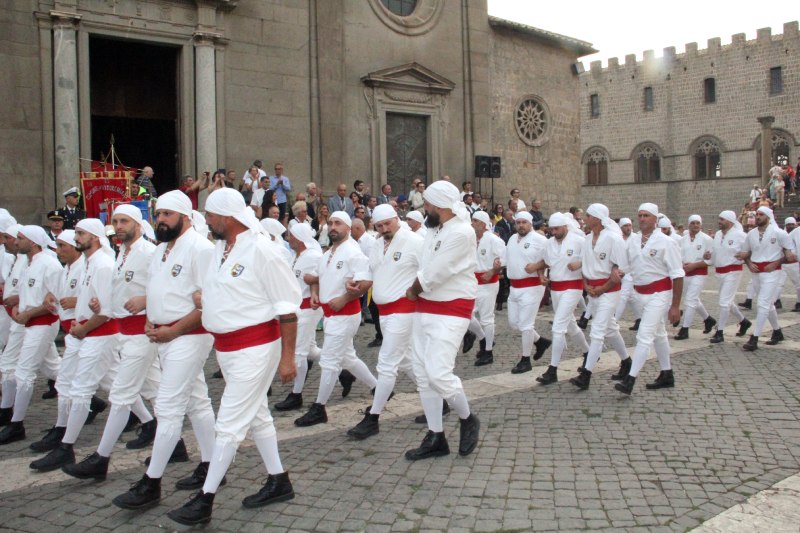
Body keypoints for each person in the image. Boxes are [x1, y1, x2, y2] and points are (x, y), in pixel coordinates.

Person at [165, 188, 300, 525]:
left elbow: (287, 309)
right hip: (226, 348)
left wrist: (288, 358)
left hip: (256, 347)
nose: (205, 221)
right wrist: (204, 297)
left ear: (226, 217)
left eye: (209, 215)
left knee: (228, 424)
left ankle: (205, 498)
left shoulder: (263, 251)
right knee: (257, 416)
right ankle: (279, 480)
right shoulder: (217, 250)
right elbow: (222, 291)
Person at [111, 191, 218, 510]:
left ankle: (152, 482)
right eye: (158, 214)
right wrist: (151, 317)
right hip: (165, 334)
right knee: (198, 401)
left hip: (189, 334)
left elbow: (208, 301)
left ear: (185, 217)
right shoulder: (161, 249)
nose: (160, 220)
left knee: (170, 406)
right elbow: (159, 290)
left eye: (167, 215)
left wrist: (172, 328)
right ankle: (212, 464)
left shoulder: (201, 249)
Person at [61, 205, 160, 481]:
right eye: (115, 221)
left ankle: (101, 458)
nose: (119, 226)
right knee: (157, 392)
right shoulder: (121, 254)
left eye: (124, 221)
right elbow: (119, 292)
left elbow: (166, 289)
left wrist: (146, 300)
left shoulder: (149, 253)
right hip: (124, 333)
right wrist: (99, 304)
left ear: (138, 224)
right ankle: (173, 443)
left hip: (141, 331)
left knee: (121, 395)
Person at [29, 218, 121, 472]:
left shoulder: (102, 264)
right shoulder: (91, 263)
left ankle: (66, 446)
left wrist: (84, 326)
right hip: (83, 331)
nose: (76, 237)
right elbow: (90, 301)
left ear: (94, 236)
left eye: (80, 234)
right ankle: (62, 434)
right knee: (67, 383)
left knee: (82, 390)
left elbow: (107, 311)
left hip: (97, 333)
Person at [403, 180, 479, 460]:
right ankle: (436, 436)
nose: (425, 209)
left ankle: (467, 418)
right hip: (426, 307)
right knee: (423, 374)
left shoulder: (461, 232)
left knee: (438, 373)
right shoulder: (435, 229)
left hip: (451, 307)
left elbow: (436, 271)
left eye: (428, 205)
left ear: (441, 206)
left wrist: (412, 289)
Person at [346, 204, 423, 440]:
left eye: (387, 223)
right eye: (379, 226)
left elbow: (429, 271)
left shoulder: (414, 241)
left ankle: (374, 417)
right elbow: (371, 272)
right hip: (385, 310)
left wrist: (417, 292)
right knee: (407, 361)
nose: (383, 229)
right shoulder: (377, 244)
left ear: (396, 219)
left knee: (387, 362)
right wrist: (358, 284)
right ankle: (439, 399)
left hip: (405, 309)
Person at [294, 211, 377, 427]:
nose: (333, 227)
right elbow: (321, 278)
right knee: (347, 358)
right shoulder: (328, 253)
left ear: (348, 228)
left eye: (338, 223)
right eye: (330, 223)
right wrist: (315, 293)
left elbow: (366, 280)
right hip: (330, 314)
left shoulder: (353, 252)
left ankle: (319, 408)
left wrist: (345, 297)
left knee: (330, 362)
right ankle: (378, 388)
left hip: (345, 314)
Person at [0, 226, 61, 445]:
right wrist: (18, 310)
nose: (16, 242)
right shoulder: (29, 263)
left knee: (24, 373)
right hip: (28, 323)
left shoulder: (49, 264)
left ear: (33, 242)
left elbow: (55, 302)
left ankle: (16, 424)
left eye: (20, 238)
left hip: (42, 324)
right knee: (56, 369)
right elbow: (25, 295)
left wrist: (28, 314)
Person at [614, 203, 684, 395]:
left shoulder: (667, 242)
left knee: (644, 336)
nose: (642, 219)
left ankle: (630, 379)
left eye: (646, 215)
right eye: (640, 215)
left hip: (659, 294)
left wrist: (675, 306)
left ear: (655, 219)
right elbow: (628, 265)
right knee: (659, 334)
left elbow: (677, 274)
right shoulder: (633, 241)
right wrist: (618, 272)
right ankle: (667, 373)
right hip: (640, 294)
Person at [25, 230, 84, 452]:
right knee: (70, 382)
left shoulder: (87, 267)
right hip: (74, 332)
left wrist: (77, 301)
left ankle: (63, 435)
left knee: (70, 383)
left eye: (62, 246)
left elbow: (103, 298)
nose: (57, 251)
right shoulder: (66, 270)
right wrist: (51, 297)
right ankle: (61, 431)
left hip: (87, 332)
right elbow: (57, 293)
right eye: (57, 246)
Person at [569, 204, 630, 390]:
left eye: (588, 216)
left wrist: (603, 288)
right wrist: (587, 286)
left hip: (609, 291)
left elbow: (622, 268)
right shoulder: (587, 239)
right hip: (593, 290)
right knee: (611, 328)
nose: (585, 219)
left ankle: (586, 374)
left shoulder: (613, 239)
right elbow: (586, 264)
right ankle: (627, 361)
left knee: (597, 330)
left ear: (597, 218)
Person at [273, 224, 324, 411]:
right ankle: (344, 371)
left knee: (299, 352)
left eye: (291, 235)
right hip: (297, 308)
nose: (288, 238)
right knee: (310, 350)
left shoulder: (313, 256)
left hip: (308, 308)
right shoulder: (296, 256)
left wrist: (314, 291)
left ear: (299, 238)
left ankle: (296, 394)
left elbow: (320, 276)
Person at [535, 213, 589, 385]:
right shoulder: (549, 243)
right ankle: (589, 353)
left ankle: (553, 370)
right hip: (556, 288)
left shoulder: (579, 241)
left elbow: (591, 258)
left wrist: (579, 263)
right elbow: (543, 261)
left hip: (573, 287)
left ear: (566, 226)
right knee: (571, 325)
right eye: (551, 229)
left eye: (557, 228)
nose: (554, 231)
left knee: (558, 327)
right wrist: (540, 275)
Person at [736, 206, 794, 351]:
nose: (758, 217)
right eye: (757, 214)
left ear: (768, 217)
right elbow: (746, 252)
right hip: (756, 272)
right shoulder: (751, 234)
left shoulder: (780, 233)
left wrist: (776, 262)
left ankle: (754, 337)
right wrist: (748, 263)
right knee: (768, 305)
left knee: (762, 303)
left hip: (772, 272)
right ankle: (777, 332)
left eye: (761, 215)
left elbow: (790, 255)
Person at [463, 211, 505, 366]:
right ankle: (482, 338)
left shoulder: (494, 240)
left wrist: (493, 271)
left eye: (474, 220)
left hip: (488, 283)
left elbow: (503, 259)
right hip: (472, 282)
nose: (472, 223)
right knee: (465, 315)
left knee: (487, 318)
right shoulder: (472, 239)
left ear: (482, 223)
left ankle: (488, 352)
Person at [709, 211, 751, 344]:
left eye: (722, 219)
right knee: (728, 302)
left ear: (730, 221)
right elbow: (715, 252)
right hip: (719, 272)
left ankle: (720, 332)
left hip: (733, 271)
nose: (719, 221)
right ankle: (744, 322)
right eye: (719, 219)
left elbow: (751, 248)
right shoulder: (717, 235)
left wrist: (745, 256)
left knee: (723, 303)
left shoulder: (740, 235)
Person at [674, 215, 716, 340]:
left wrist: (695, 265)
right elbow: (678, 255)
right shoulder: (683, 240)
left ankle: (685, 329)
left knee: (690, 300)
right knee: (692, 299)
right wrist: (683, 264)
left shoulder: (707, 239)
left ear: (701, 225)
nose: (695, 225)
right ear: (689, 224)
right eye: (693, 223)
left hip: (699, 272)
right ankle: (708, 319)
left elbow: (711, 259)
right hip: (686, 272)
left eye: (698, 223)